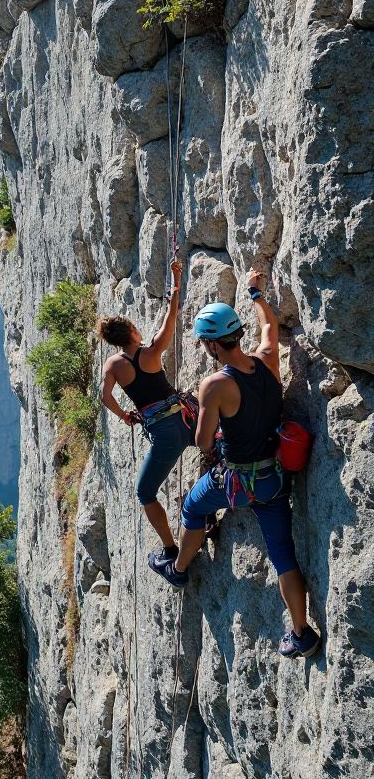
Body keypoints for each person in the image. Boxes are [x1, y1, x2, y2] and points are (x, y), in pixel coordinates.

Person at [149, 267, 321, 659]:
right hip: (275, 478)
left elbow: (202, 441)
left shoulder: (215, 385)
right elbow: (270, 328)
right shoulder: (266, 359)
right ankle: (301, 632)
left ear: (211, 345)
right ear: (236, 334)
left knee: (193, 505)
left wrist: (208, 416)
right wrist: (255, 292)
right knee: (283, 554)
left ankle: (178, 568)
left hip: (238, 481)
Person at [99, 256, 195, 560]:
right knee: (216, 441)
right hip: (186, 418)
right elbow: (172, 316)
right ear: (132, 332)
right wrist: (175, 283)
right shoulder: (152, 351)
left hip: (163, 432)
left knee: (145, 493)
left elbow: (105, 397)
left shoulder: (113, 364)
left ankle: (170, 547)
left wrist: (125, 416)